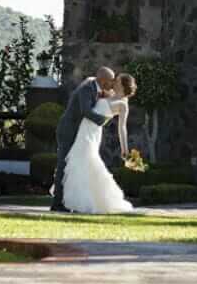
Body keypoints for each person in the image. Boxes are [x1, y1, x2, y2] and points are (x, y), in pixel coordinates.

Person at [53, 72, 137, 214]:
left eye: (117, 81)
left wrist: (125, 150)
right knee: (77, 164)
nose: (113, 82)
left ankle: (86, 202)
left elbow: (122, 128)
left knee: (88, 162)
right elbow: (92, 87)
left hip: (92, 134)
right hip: (82, 130)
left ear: (123, 85)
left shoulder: (123, 105)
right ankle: (72, 201)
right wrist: (91, 79)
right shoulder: (109, 93)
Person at [50, 66, 116, 212]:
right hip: (68, 131)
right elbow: (86, 111)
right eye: (110, 80)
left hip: (78, 133)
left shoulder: (95, 87)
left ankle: (69, 201)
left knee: (74, 166)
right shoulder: (87, 89)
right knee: (63, 165)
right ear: (103, 80)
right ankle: (57, 203)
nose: (112, 83)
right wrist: (104, 120)